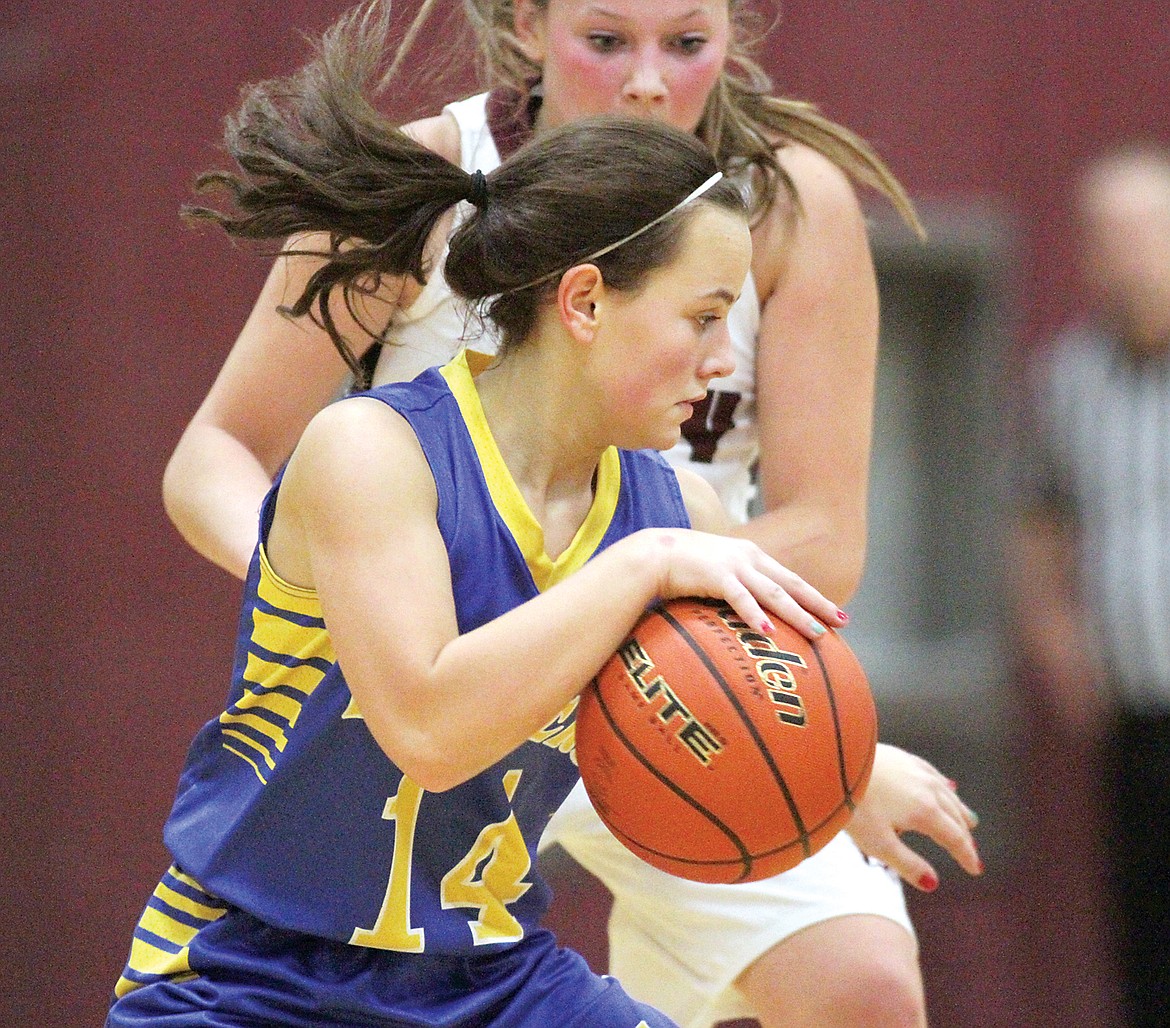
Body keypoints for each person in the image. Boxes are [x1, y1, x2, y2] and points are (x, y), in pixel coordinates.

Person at [161, 2, 982, 1025]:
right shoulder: (389, 395)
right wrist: (339, 592)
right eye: (607, 40)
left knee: (861, 985)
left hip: (666, 667)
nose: (647, 82)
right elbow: (219, 457)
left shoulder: (766, 240)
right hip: (374, 782)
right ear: (525, 31)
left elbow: (821, 539)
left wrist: (827, 754)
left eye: (686, 44)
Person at [1011, 144, 1170, 1028]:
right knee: (1143, 926)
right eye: (1106, 238)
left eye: (1146, 232)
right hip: (1135, 716)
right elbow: (1040, 519)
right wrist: (1057, 639)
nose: (1128, 256)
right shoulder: (1070, 378)